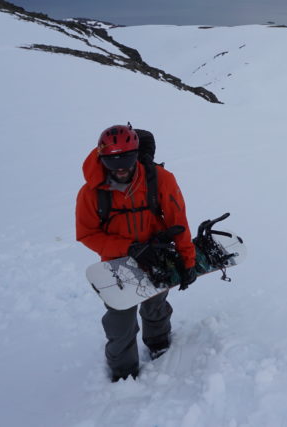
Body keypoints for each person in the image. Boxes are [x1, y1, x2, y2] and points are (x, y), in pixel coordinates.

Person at [76, 124, 198, 381]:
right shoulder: (91, 193)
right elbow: (87, 233)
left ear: (136, 155)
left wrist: (188, 261)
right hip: (117, 263)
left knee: (156, 304)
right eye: (112, 161)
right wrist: (128, 248)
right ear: (101, 158)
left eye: (127, 159)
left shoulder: (161, 179)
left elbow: (179, 221)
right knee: (120, 320)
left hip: (156, 254)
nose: (120, 167)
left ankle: (158, 342)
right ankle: (123, 370)